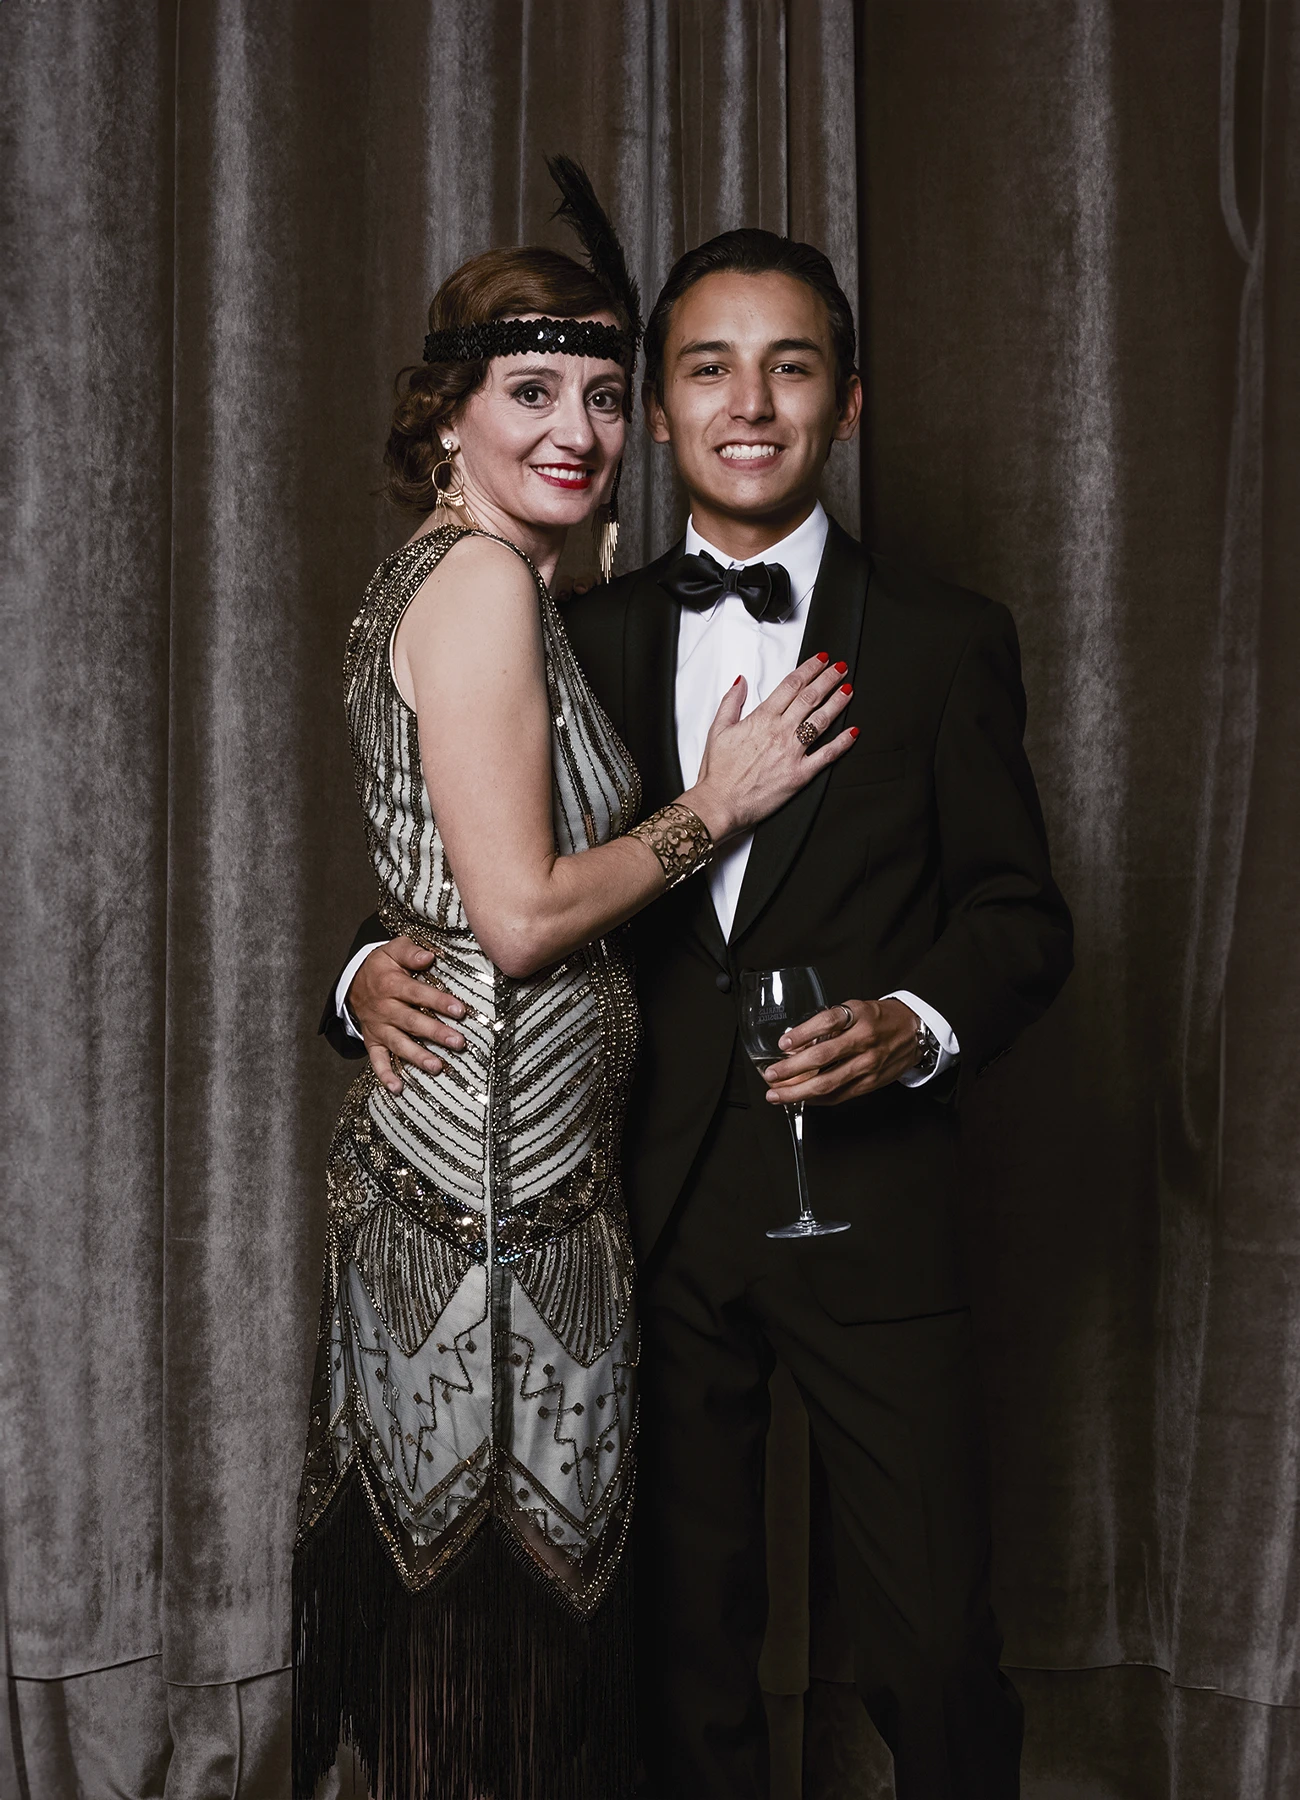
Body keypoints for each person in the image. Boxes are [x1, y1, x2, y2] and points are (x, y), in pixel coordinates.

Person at [327, 228, 1073, 1799]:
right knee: (676, 1665)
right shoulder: (565, 618)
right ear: (663, 413)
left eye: (791, 366)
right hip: (636, 1219)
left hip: (873, 1206)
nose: (750, 402)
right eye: (706, 369)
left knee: (936, 1647)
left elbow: (1020, 917)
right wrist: (352, 978)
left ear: (848, 405)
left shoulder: (946, 640)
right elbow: (473, 875)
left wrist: (915, 1022)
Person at [292, 169, 856, 1800]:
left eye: (610, 396)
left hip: (510, 1190)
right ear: (447, 410)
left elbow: (439, 886)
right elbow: (524, 917)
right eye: (532, 389)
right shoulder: (476, 588)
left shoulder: (486, 580)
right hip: (488, 1213)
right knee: (486, 1638)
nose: (581, 426)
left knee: (478, 1641)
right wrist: (717, 805)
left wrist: (361, 971)